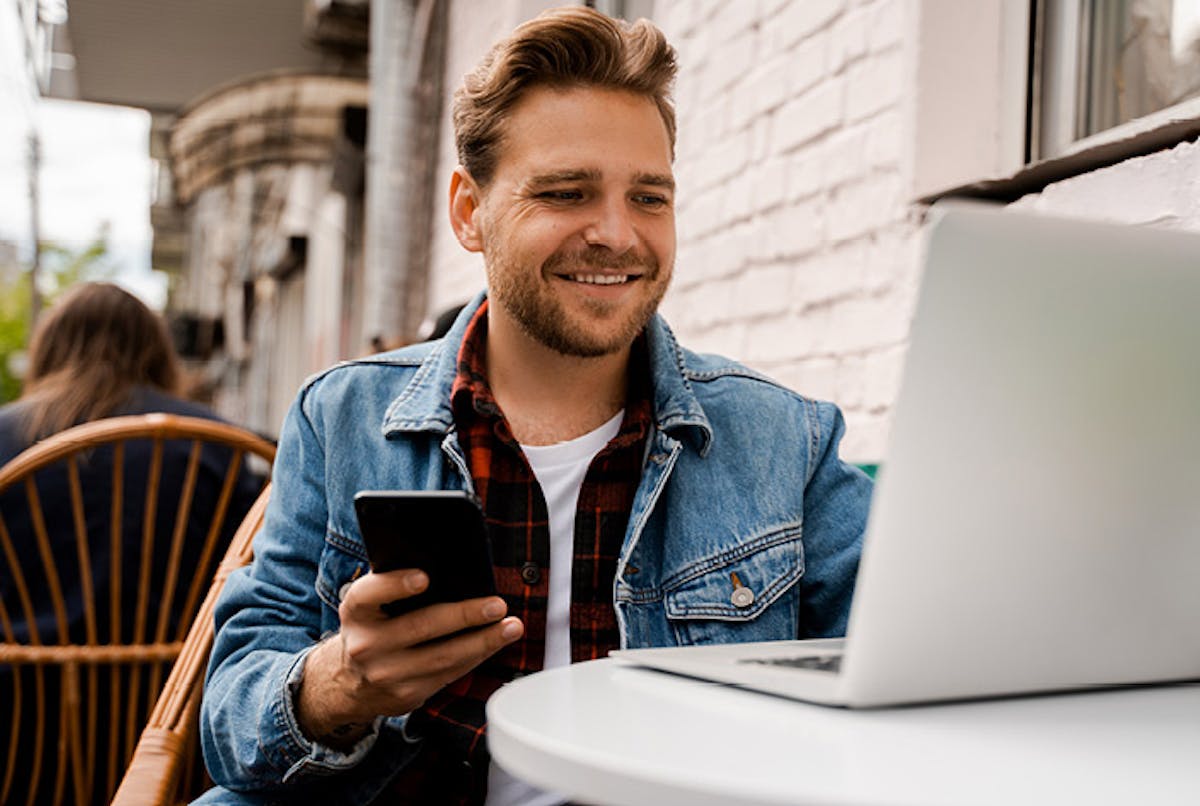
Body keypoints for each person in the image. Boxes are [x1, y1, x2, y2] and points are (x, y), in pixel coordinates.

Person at [199, 7, 872, 805]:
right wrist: (343, 683)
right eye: (565, 192)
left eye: (649, 198)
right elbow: (230, 718)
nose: (618, 234)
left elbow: (913, 659)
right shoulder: (340, 418)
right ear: (467, 212)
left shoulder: (782, 441)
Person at [0, 281, 265, 803]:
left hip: (18, 726)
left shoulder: (7, 436)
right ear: (156, 351)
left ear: (49, 348)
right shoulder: (218, 444)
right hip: (175, 719)